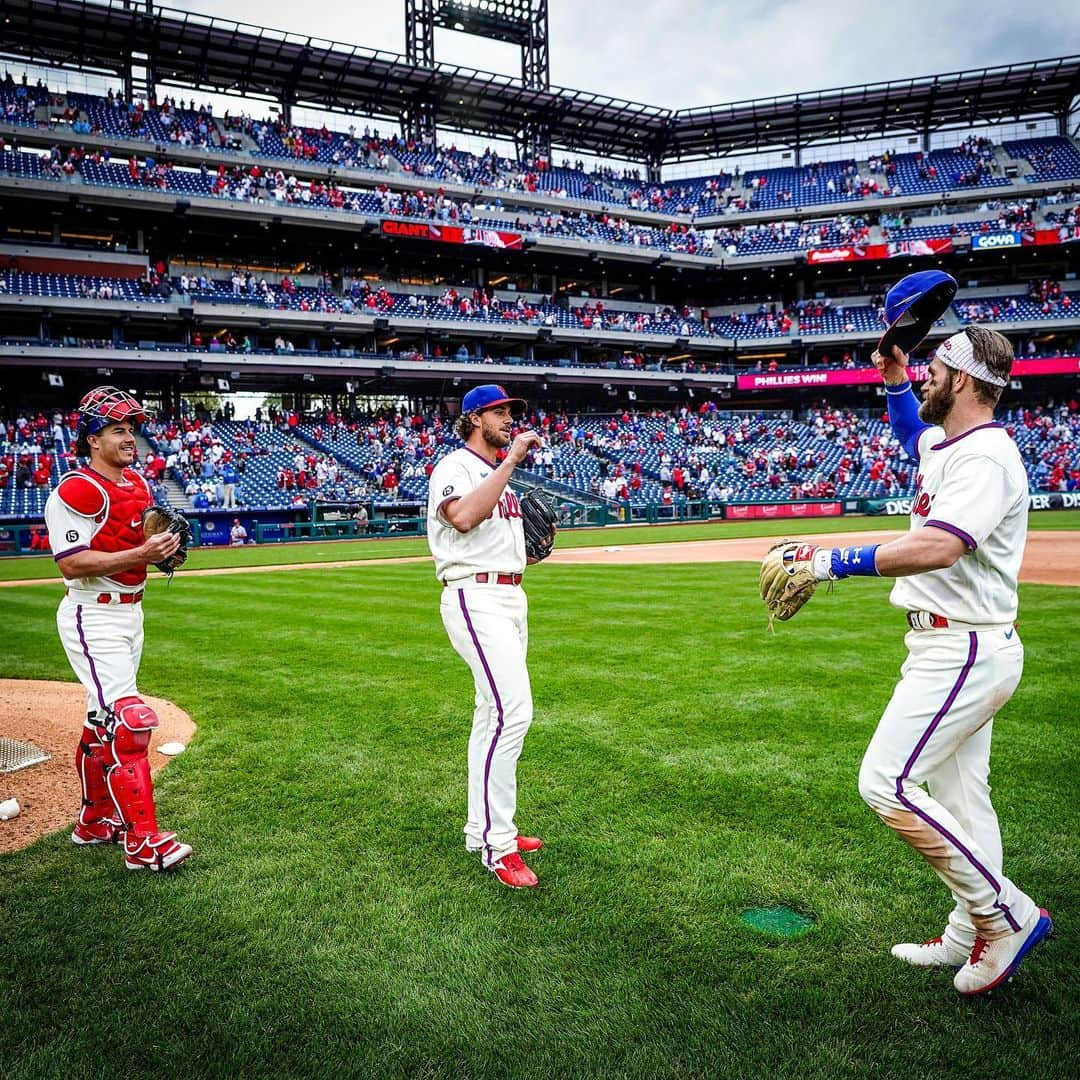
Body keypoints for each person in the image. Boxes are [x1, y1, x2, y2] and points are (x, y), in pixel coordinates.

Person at [785, 327, 1051, 995]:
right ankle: (969, 936)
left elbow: (939, 547)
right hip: (951, 643)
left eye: (933, 370)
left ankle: (1004, 914)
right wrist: (895, 377)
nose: (925, 378)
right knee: (964, 799)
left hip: (963, 647)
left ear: (963, 379)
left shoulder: (987, 458)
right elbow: (914, 433)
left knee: (885, 783)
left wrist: (830, 563)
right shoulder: (950, 444)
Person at [43, 386, 192, 872]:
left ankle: (92, 822)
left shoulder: (137, 486)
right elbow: (71, 562)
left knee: (99, 721)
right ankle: (143, 842)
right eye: (117, 431)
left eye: (131, 430)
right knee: (130, 721)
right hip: (93, 613)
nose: (130, 439)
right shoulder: (77, 489)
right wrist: (139, 555)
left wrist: (159, 551)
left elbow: (133, 544)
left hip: (131, 612)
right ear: (92, 439)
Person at [426, 384, 545, 889]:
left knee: (490, 715)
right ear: (474, 418)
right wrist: (513, 460)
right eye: (499, 412)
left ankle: (482, 829)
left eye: (511, 412)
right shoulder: (455, 466)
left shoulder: (501, 479)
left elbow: (499, 536)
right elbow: (464, 517)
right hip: (475, 599)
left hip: (510, 595)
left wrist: (528, 554)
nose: (508, 419)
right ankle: (499, 846)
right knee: (513, 713)